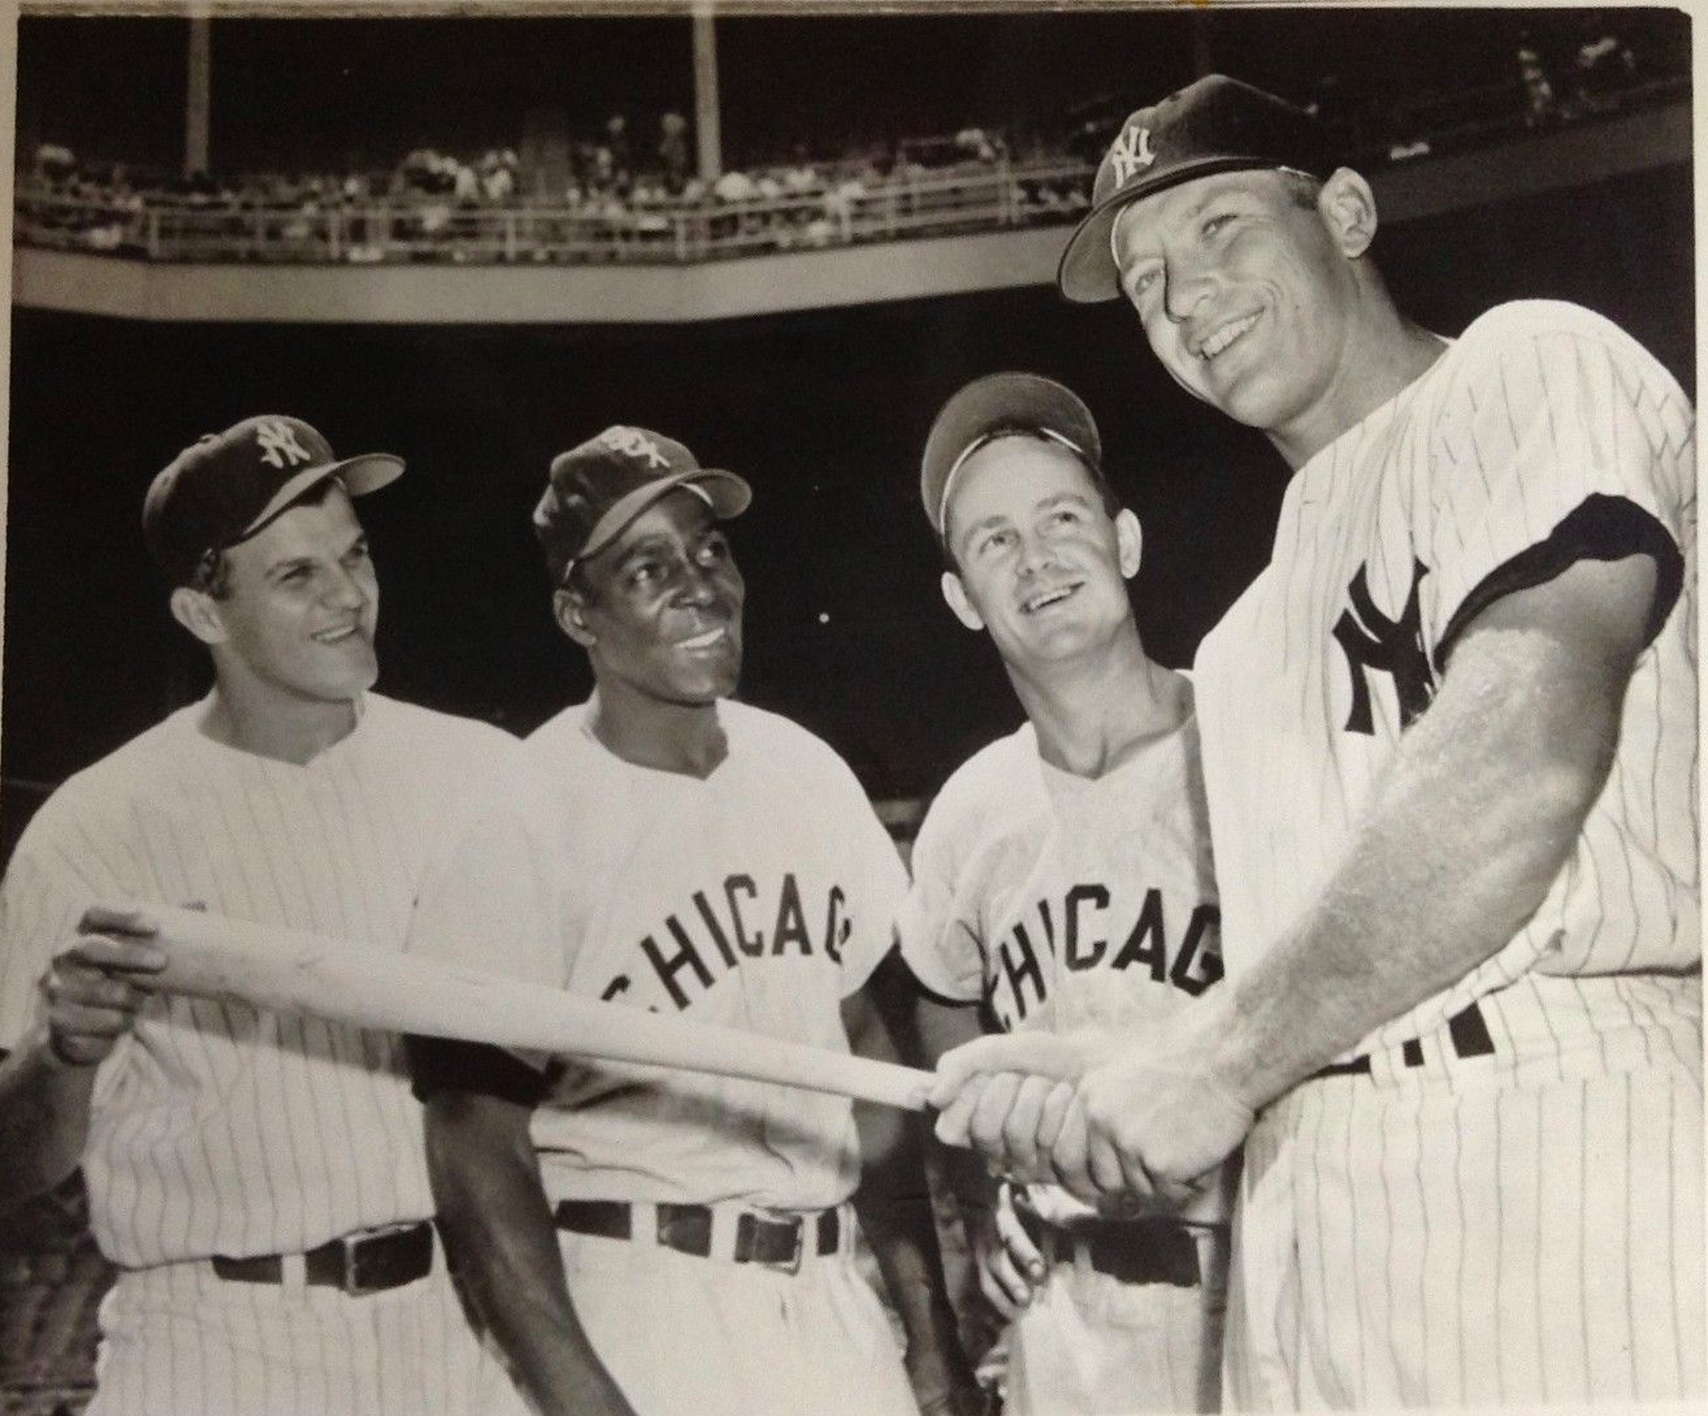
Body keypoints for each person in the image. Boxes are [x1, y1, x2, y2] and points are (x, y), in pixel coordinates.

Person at [932, 74, 1700, 1408]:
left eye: (1221, 228)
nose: (1185, 299)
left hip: (1557, 1129)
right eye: (1148, 275)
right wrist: (1120, 1076)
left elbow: (1523, 761)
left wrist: (1214, 1062)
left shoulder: (1528, 367)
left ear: (1342, 210)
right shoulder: (1237, 643)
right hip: (1309, 1192)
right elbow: (1306, 979)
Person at [405, 425, 978, 1416]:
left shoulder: (806, 770)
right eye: (647, 568)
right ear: (577, 615)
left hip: (828, 1297)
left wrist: (928, 1335)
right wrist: (581, 1398)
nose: (698, 584)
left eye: (709, 549)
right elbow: (472, 1147)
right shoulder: (519, 819)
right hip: (640, 1295)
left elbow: (865, 1062)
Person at [0, 415, 522, 1414]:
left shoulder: (484, 775)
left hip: (455, 1329)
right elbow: (11, 1168)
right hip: (217, 1340)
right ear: (203, 614)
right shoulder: (95, 827)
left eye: (355, 556)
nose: (349, 598)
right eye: (296, 577)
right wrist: (59, 1055)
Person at [900, 373, 1230, 1414]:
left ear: (1124, 541)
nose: (1036, 558)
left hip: (1260, 1270)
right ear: (961, 597)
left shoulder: (1249, 734)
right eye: (993, 541)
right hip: (1073, 1316)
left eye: (1061, 517)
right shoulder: (970, 811)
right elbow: (940, 1002)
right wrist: (986, 1180)